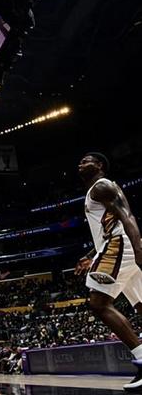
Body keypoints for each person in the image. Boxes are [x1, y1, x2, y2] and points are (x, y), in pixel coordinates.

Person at [74, 152, 142, 390]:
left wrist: (138, 249)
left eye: (86, 160)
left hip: (120, 246)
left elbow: (127, 216)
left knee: (99, 303)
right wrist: (90, 255)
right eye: (81, 160)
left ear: (99, 165)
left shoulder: (101, 186)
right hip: (119, 245)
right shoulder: (98, 190)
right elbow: (110, 225)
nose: (81, 163)